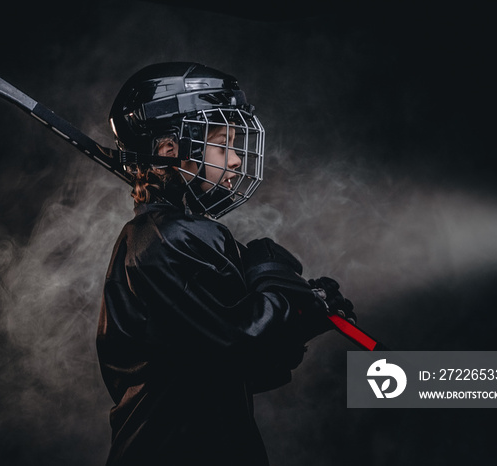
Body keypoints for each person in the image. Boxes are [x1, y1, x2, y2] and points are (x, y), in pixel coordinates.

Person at [96, 62, 356, 466]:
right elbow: (239, 343)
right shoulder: (169, 239)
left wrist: (304, 315)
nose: (235, 161)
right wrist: (279, 291)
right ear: (171, 151)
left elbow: (230, 373)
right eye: (222, 145)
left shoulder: (168, 234)